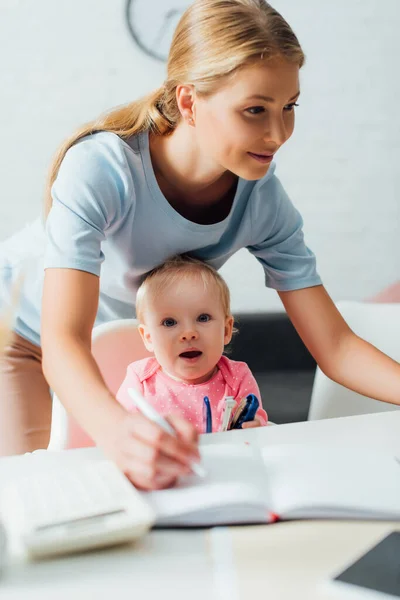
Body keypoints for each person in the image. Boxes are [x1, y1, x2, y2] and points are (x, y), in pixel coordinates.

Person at [1, 0, 399, 490]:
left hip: (131, 346)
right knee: (40, 492)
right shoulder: (102, 168)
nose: (278, 135)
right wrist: (117, 432)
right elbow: (63, 341)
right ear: (188, 102)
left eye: (289, 107)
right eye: (255, 110)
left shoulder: (263, 201)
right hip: (23, 337)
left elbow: (335, 347)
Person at [116, 255, 268, 432]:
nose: (188, 334)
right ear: (148, 337)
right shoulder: (139, 380)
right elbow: (121, 429)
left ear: (226, 330)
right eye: (169, 322)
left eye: (203, 318)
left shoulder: (237, 377)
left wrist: (256, 426)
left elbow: (258, 422)